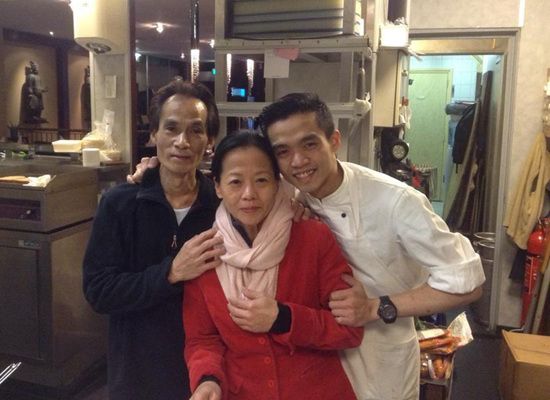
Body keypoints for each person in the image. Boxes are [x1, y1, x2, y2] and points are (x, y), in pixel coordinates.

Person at [256, 92, 486, 400]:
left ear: (334, 141)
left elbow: (468, 284)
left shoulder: (396, 201)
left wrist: (375, 307)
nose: (297, 161)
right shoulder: (292, 197)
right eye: (283, 152)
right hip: (317, 356)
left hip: (380, 361)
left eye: (309, 144)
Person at [183, 131, 363, 400]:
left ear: (278, 183)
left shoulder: (312, 238)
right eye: (235, 182)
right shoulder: (204, 254)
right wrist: (208, 380)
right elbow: (203, 339)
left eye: (261, 180)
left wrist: (284, 318)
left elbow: (349, 330)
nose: (249, 194)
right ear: (217, 186)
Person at [83, 79, 226, 400]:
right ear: (154, 134)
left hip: (206, 375)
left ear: (210, 140)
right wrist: (171, 272)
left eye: (196, 130)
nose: (182, 142)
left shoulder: (222, 209)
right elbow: (99, 292)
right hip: (136, 374)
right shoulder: (120, 204)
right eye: (171, 128)